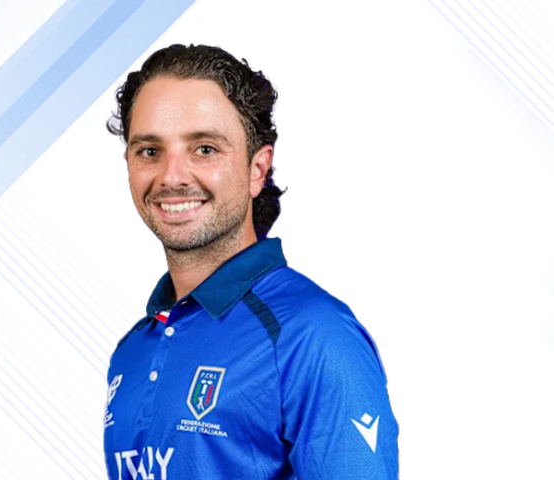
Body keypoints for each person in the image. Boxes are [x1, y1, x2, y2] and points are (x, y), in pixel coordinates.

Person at [103, 44, 399, 479]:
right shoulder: (131, 351)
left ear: (257, 169)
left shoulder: (312, 334)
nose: (171, 176)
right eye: (149, 151)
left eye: (204, 148)